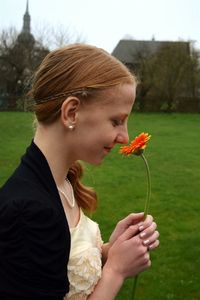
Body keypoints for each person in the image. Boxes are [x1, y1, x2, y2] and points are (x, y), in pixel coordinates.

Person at [0, 44, 159, 300]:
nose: (125, 137)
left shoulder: (60, 181)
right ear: (71, 112)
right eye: (116, 121)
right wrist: (116, 271)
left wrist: (108, 252)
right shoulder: (27, 212)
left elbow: (62, 262)